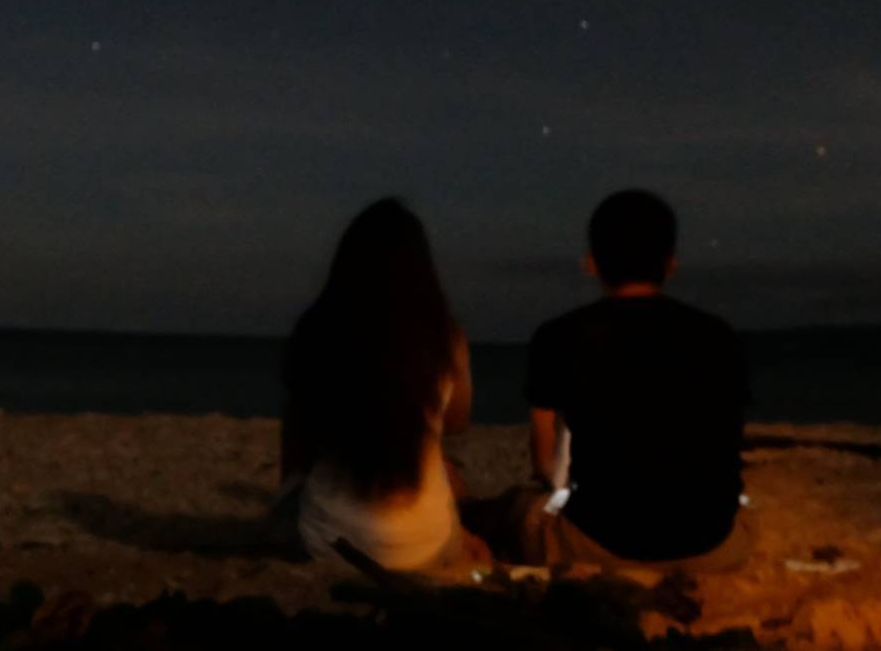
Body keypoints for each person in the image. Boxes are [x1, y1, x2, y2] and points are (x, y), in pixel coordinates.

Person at [501, 189, 751, 571]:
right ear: (670, 264)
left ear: (592, 263)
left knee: (520, 510)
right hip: (713, 546)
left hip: (602, 545)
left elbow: (545, 463)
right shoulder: (718, 337)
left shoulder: (559, 337)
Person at [278, 198, 489, 575]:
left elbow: (300, 435)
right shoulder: (444, 338)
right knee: (438, 460)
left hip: (328, 545)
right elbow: (457, 422)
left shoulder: (316, 331)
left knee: (299, 472)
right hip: (426, 548)